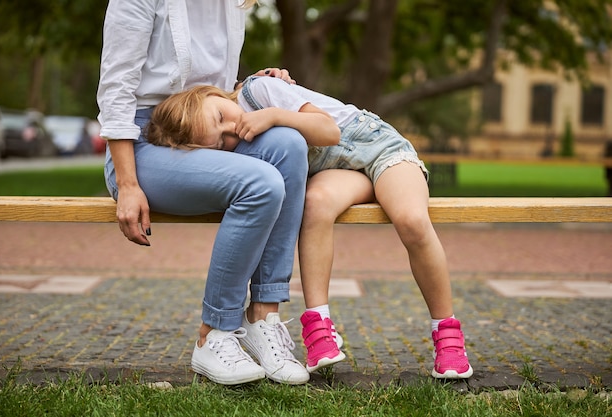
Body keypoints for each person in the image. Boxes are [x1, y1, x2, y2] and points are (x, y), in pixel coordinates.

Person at [145, 75, 474, 379]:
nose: (232, 128)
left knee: (412, 221)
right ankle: (318, 327)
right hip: (341, 171)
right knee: (315, 206)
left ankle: (446, 333)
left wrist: (274, 115)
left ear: (213, 94)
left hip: (377, 149)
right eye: (222, 142)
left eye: (220, 116)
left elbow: (329, 131)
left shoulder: (259, 91)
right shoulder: (240, 136)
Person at [96, 0, 311, 385]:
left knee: (288, 146)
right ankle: (214, 334)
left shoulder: (232, 5)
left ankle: (264, 317)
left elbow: (212, 92)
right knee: (260, 183)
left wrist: (250, 87)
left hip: (207, 127)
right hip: (141, 142)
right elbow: (116, 92)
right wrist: (128, 185)